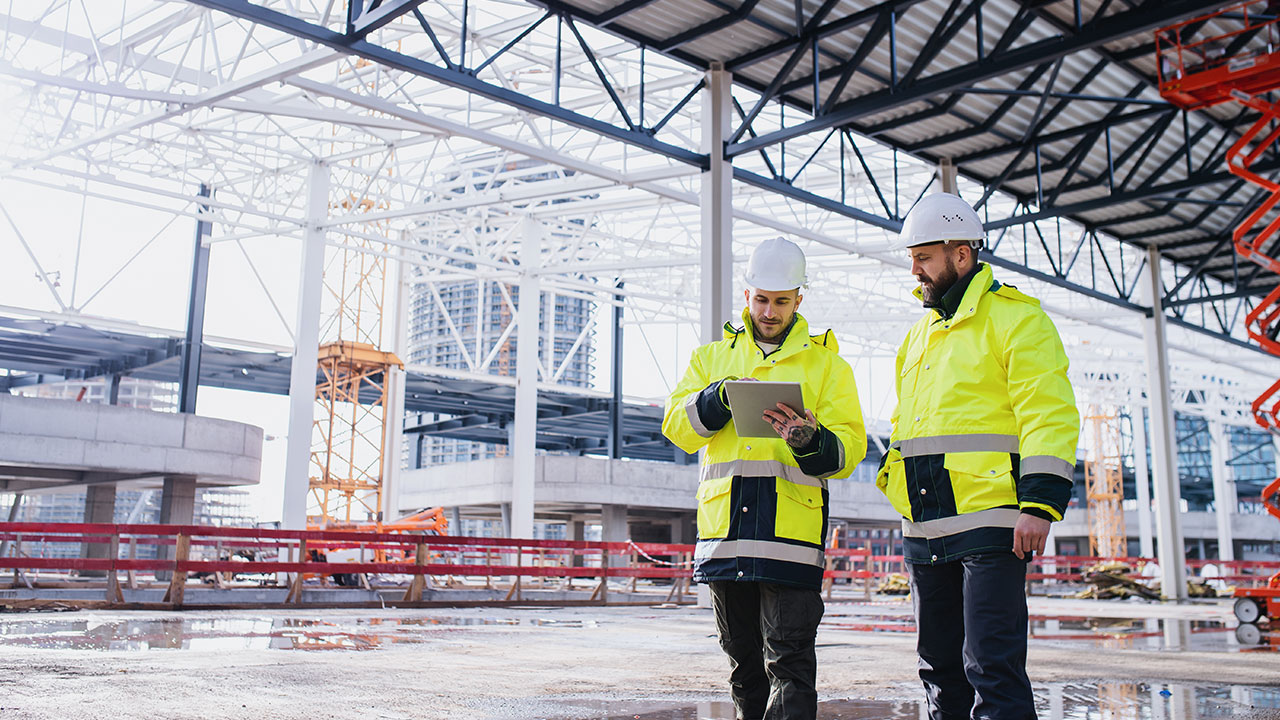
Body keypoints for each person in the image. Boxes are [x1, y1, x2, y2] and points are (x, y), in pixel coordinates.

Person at [876, 193, 1079, 720]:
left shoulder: (1016, 319)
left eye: (923, 257)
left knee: (992, 667)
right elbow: (909, 427)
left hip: (992, 523)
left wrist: (1039, 504)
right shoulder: (917, 337)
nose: (914, 269)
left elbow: (1047, 413)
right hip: (925, 527)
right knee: (938, 670)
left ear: (961, 254)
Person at [662, 237, 866, 720]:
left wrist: (810, 441)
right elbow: (677, 427)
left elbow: (849, 450)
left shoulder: (828, 367)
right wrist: (718, 400)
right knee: (744, 667)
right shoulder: (710, 359)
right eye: (761, 300)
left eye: (781, 301)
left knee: (790, 663)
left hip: (788, 537)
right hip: (727, 535)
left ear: (800, 299)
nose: (769, 311)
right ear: (747, 295)